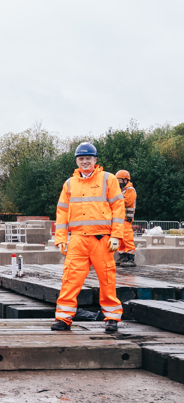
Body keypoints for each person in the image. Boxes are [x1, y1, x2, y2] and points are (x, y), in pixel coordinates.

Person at [53, 142, 125, 332]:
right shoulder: (69, 183)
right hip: (77, 240)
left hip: (102, 240)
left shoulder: (108, 179)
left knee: (107, 278)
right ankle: (63, 317)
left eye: (88, 158)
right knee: (70, 279)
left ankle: (112, 318)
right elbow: (62, 212)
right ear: (77, 161)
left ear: (95, 160)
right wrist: (61, 238)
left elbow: (118, 208)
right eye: (81, 159)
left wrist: (117, 235)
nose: (85, 162)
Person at [114, 170, 137, 267]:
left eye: (119, 180)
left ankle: (130, 257)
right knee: (120, 238)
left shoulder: (130, 190)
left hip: (126, 218)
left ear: (125, 180)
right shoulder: (121, 190)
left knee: (127, 238)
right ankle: (122, 255)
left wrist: (116, 199)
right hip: (119, 218)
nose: (118, 182)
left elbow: (127, 202)